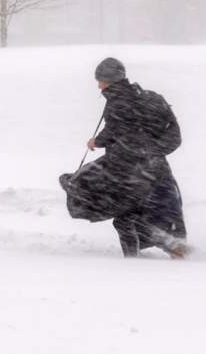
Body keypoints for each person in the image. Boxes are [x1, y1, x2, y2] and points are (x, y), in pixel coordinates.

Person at [68, 57, 188, 258]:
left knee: (126, 217)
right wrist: (154, 151)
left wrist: (96, 142)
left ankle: (132, 264)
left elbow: (117, 131)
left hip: (129, 170)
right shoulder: (152, 98)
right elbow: (172, 133)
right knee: (166, 211)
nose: (99, 86)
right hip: (157, 168)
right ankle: (177, 249)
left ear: (109, 80)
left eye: (101, 81)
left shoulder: (119, 104)